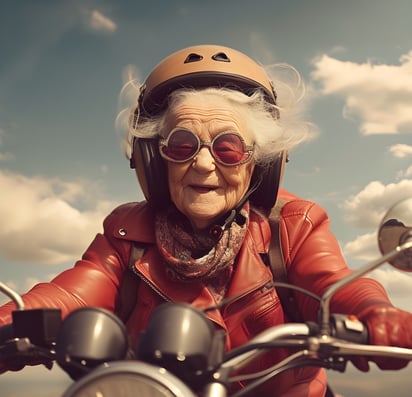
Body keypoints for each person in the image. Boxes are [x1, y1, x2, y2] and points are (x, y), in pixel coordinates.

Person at [0, 44, 411, 396]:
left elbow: (332, 284)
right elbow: (68, 295)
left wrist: (378, 313)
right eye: (181, 145)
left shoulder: (293, 225)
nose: (201, 163)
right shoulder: (125, 235)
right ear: (153, 161)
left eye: (227, 147)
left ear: (260, 164)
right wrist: (9, 322)